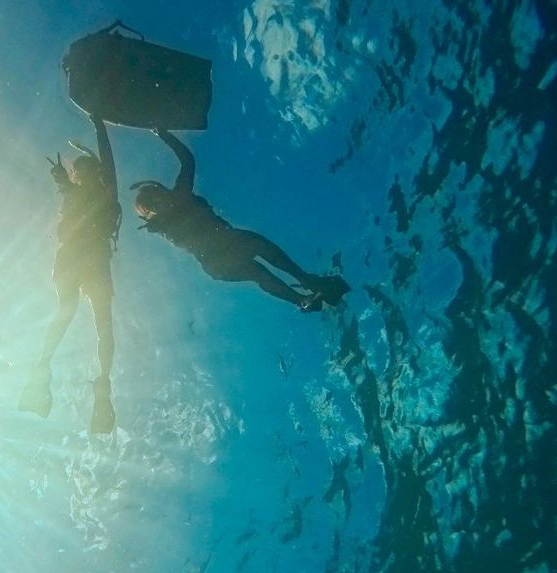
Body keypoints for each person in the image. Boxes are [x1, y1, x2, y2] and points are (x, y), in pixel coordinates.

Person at [133, 128, 348, 311]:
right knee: (259, 251)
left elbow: (188, 161)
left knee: (258, 272)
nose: (158, 205)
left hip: (217, 264)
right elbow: (187, 161)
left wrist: (162, 133)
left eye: (154, 201)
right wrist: (162, 133)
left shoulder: (166, 216)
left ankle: (302, 299)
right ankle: (305, 285)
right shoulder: (178, 200)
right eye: (152, 205)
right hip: (224, 248)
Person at [19, 114, 121, 433]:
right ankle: (92, 381)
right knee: (91, 317)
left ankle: (55, 370)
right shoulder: (84, 192)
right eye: (80, 171)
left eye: (85, 170)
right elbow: (76, 187)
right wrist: (64, 179)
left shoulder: (100, 191)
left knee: (82, 314)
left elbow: (106, 162)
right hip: (84, 257)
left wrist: (100, 127)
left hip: (80, 256)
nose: (82, 174)